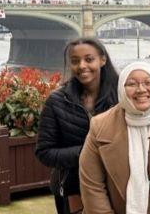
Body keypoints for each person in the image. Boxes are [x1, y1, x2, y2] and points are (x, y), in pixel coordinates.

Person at [79, 61, 150, 214]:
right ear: (121, 88)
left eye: (148, 82)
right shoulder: (100, 125)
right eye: (131, 84)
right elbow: (92, 184)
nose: (141, 89)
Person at [36, 37, 119, 214]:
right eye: (75, 61)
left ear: (102, 60)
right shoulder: (56, 101)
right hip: (72, 189)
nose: (82, 66)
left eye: (89, 59)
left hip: (115, 187)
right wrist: (86, 152)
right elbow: (44, 152)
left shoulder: (121, 98)